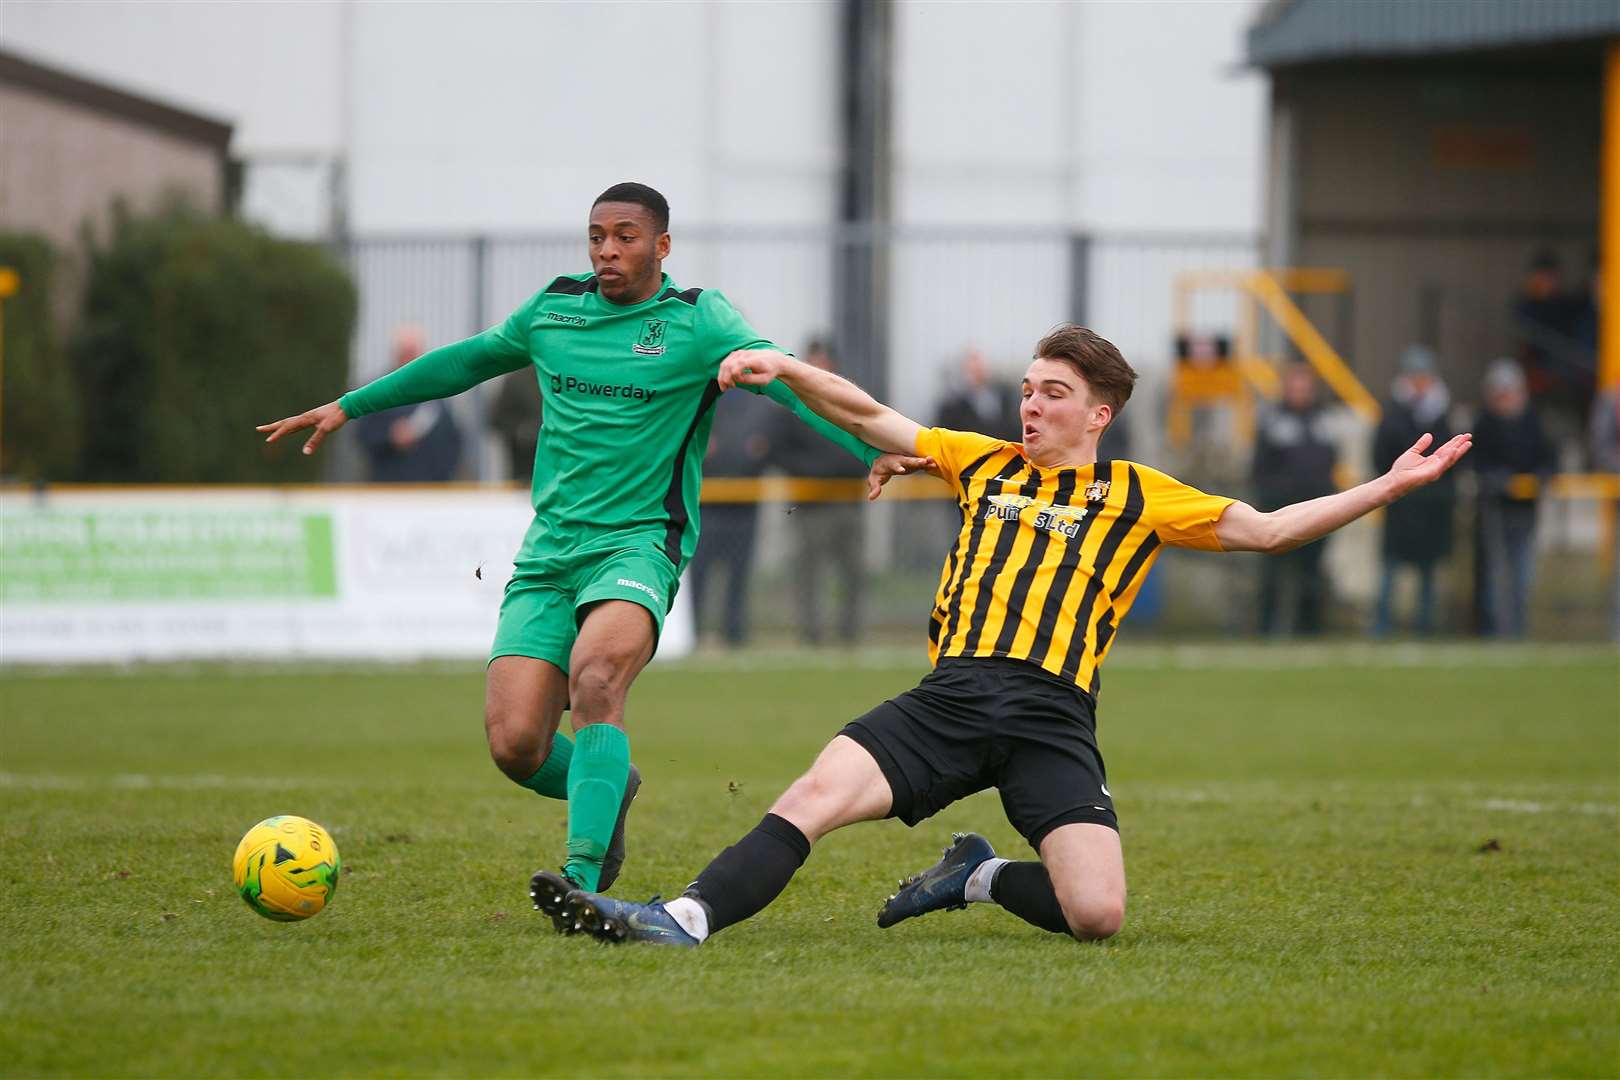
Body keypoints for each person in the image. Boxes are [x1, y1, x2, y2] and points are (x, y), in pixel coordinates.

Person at [553, 323, 1471, 948]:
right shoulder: (981, 462)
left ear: (1098, 415)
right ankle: (678, 917)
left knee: (1099, 915)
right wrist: (785, 367)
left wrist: (1385, 489)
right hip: (950, 699)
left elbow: (1269, 529)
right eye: (1028, 390)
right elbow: (872, 414)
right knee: (815, 794)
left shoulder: (1141, 494)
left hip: (1052, 719)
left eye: (1054, 395)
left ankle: (977, 877)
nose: (1030, 406)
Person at [257, 183, 924, 919]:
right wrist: (350, 405)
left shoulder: (698, 320)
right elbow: (465, 361)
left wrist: (866, 446)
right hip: (550, 551)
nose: (608, 250)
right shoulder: (553, 310)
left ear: (662, 246)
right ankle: (611, 782)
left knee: (596, 678)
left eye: (626, 236)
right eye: (597, 236)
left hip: (640, 543)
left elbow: (790, 386)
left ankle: (581, 880)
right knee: (515, 743)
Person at [769, 339, 867, 645]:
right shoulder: (793, 406)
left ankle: (849, 633)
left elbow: (866, 442)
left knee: (852, 572)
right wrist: (815, 469)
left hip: (848, 502)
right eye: (814, 361)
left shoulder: (850, 401)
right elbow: (778, 451)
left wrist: (840, 467)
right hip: (809, 505)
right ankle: (811, 634)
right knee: (809, 574)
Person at [1372, 346, 1456, 636]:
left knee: (1427, 570)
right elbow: (1381, 453)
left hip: (1431, 507)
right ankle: (1381, 626)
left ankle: (1425, 626)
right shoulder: (1394, 411)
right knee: (1390, 568)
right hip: (1400, 503)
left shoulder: (1440, 412)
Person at [1251, 362, 1339, 635]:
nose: (1300, 392)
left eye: (1305, 387)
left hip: (1317, 511)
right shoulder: (1273, 420)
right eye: (1295, 386)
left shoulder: (1323, 421)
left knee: (1311, 576)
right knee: (1273, 576)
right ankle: (1266, 631)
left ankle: (1309, 631)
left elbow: (1331, 460)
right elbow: (1259, 466)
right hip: (1279, 511)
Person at [1470, 359, 1555, 638]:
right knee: (1495, 574)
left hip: (1525, 508)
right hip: (1494, 509)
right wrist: (1495, 479)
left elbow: (1548, 457)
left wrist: (1541, 475)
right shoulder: (1485, 422)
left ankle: (1518, 631)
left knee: (1521, 573)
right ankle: (1494, 631)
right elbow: (1476, 461)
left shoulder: (1533, 421)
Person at [688, 385, 775, 646]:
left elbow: (768, 445)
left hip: (744, 508)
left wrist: (757, 449)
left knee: (738, 575)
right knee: (699, 574)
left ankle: (735, 634)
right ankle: (693, 633)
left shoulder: (759, 402)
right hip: (705, 507)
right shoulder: (703, 396)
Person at [356, 325, 464, 482]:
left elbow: (454, 438)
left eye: (412, 352)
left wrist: (444, 474)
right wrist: (390, 437)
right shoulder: (376, 391)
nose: (409, 358)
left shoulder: (439, 391)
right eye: (405, 352)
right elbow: (362, 435)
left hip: (431, 488)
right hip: (388, 486)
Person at [935, 347, 1021, 440]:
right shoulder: (952, 407)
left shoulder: (1006, 396)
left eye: (980, 366)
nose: (978, 371)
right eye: (972, 368)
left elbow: (1014, 428)